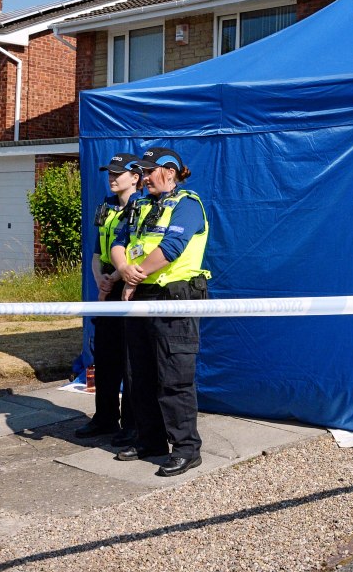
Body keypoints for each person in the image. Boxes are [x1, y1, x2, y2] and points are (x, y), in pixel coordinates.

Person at [110, 147, 211, 477]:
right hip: (142, 297)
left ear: (169, 172)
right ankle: (149, 441)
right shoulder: (140, 206)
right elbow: (119, 241)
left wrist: (133, 275)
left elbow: (171, 249)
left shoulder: (187, 204)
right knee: (140, 374)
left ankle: (186, 448)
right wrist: (124, 268)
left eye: (150, 171)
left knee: (174, 376)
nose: (144, 177)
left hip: (174, 298)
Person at [75, 153, 143, 444]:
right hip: (105, 285)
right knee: (104, 355)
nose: (112, 178)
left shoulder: (144, 208)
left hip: (132, 286)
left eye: (119, 174)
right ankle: (104, 419)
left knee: (131, 359)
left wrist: (115, 279)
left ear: (135, 178)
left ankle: (132, 425)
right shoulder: (105, 204)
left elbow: (141, 251)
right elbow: (94, 251)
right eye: (110, 173)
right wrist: (99, 281)